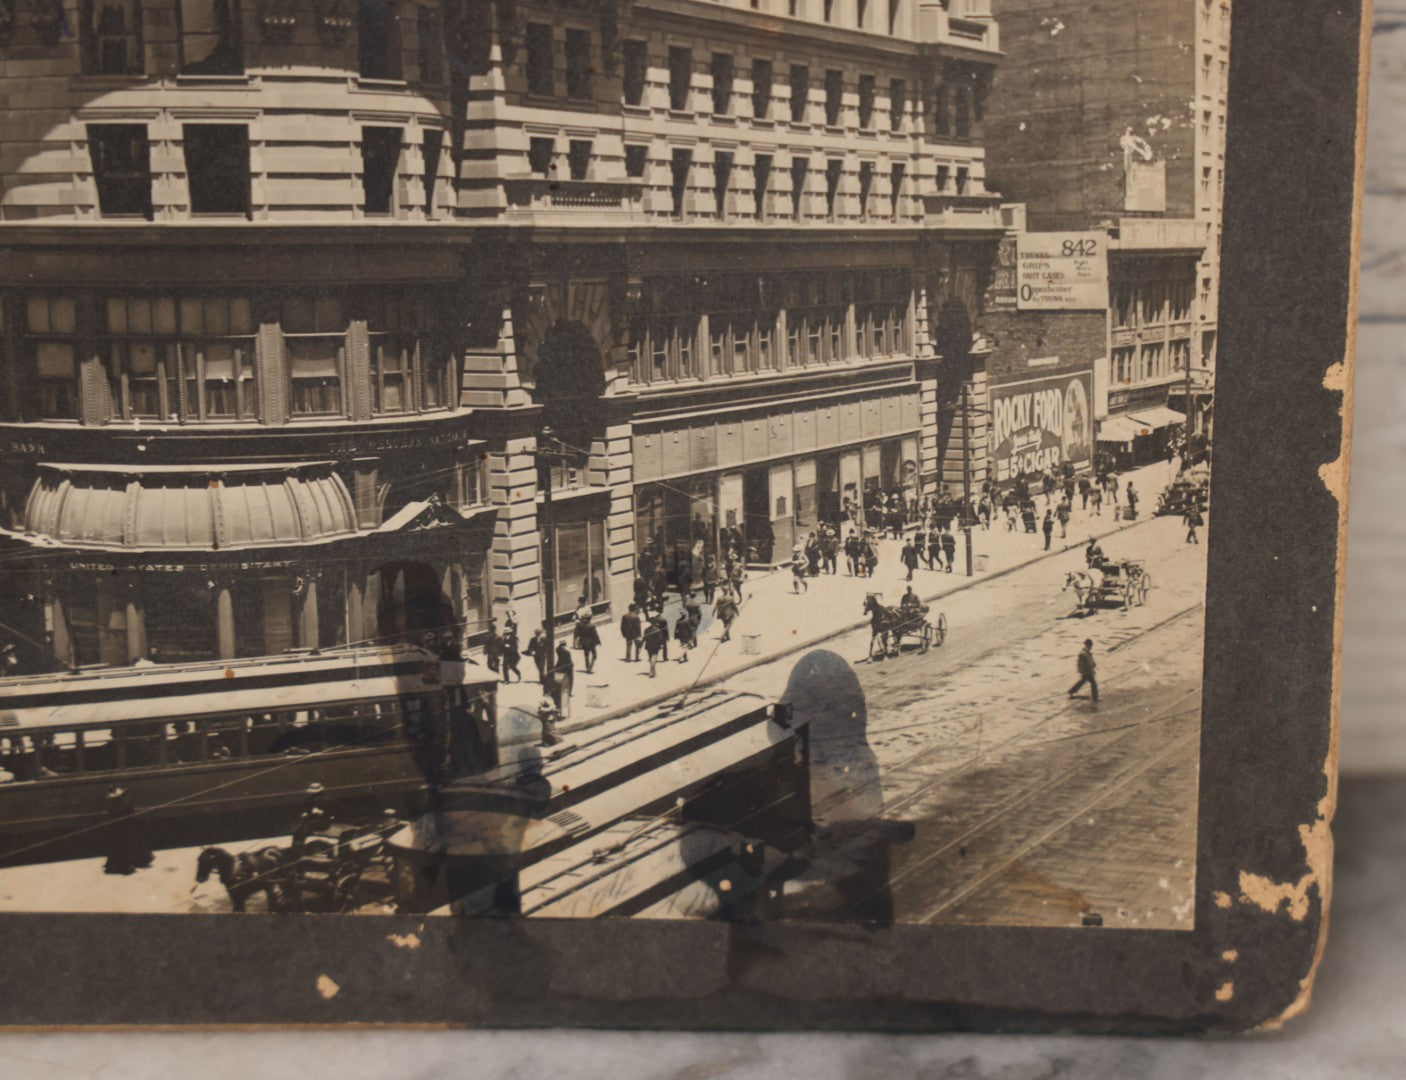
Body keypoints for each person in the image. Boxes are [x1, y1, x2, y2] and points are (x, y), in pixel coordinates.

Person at [102, 784, 154, 875]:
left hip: (126, 828)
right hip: (119, 829)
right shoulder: (114, 806)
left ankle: (129, 864)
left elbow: (129, 813)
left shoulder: (124, 804)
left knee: (128, 846)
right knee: (121, 847)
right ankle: (123, 866)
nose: (119, 798)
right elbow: (114, 816)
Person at [1069, 639, 1099, 704]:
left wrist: (1093, 664)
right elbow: (1086, 663)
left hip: (1086, 671)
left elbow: (1089, 661)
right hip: (1087, 671)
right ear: (1088, 645)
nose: (1091, 647)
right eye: (1091, 645)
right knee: (1094, 684)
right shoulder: (1084, 653)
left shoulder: (1085, 652)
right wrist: (1091, 667)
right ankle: (1095, 698)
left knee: (1082, 682)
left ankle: (1071, 691)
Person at [552, 642, 575, 715]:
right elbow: (569, 661)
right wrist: (572, 665)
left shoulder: (557, 649)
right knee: (570, 679)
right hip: (567, 668)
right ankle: (569, 692)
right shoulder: (567, 652)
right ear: (564, 645)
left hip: (559, 666)